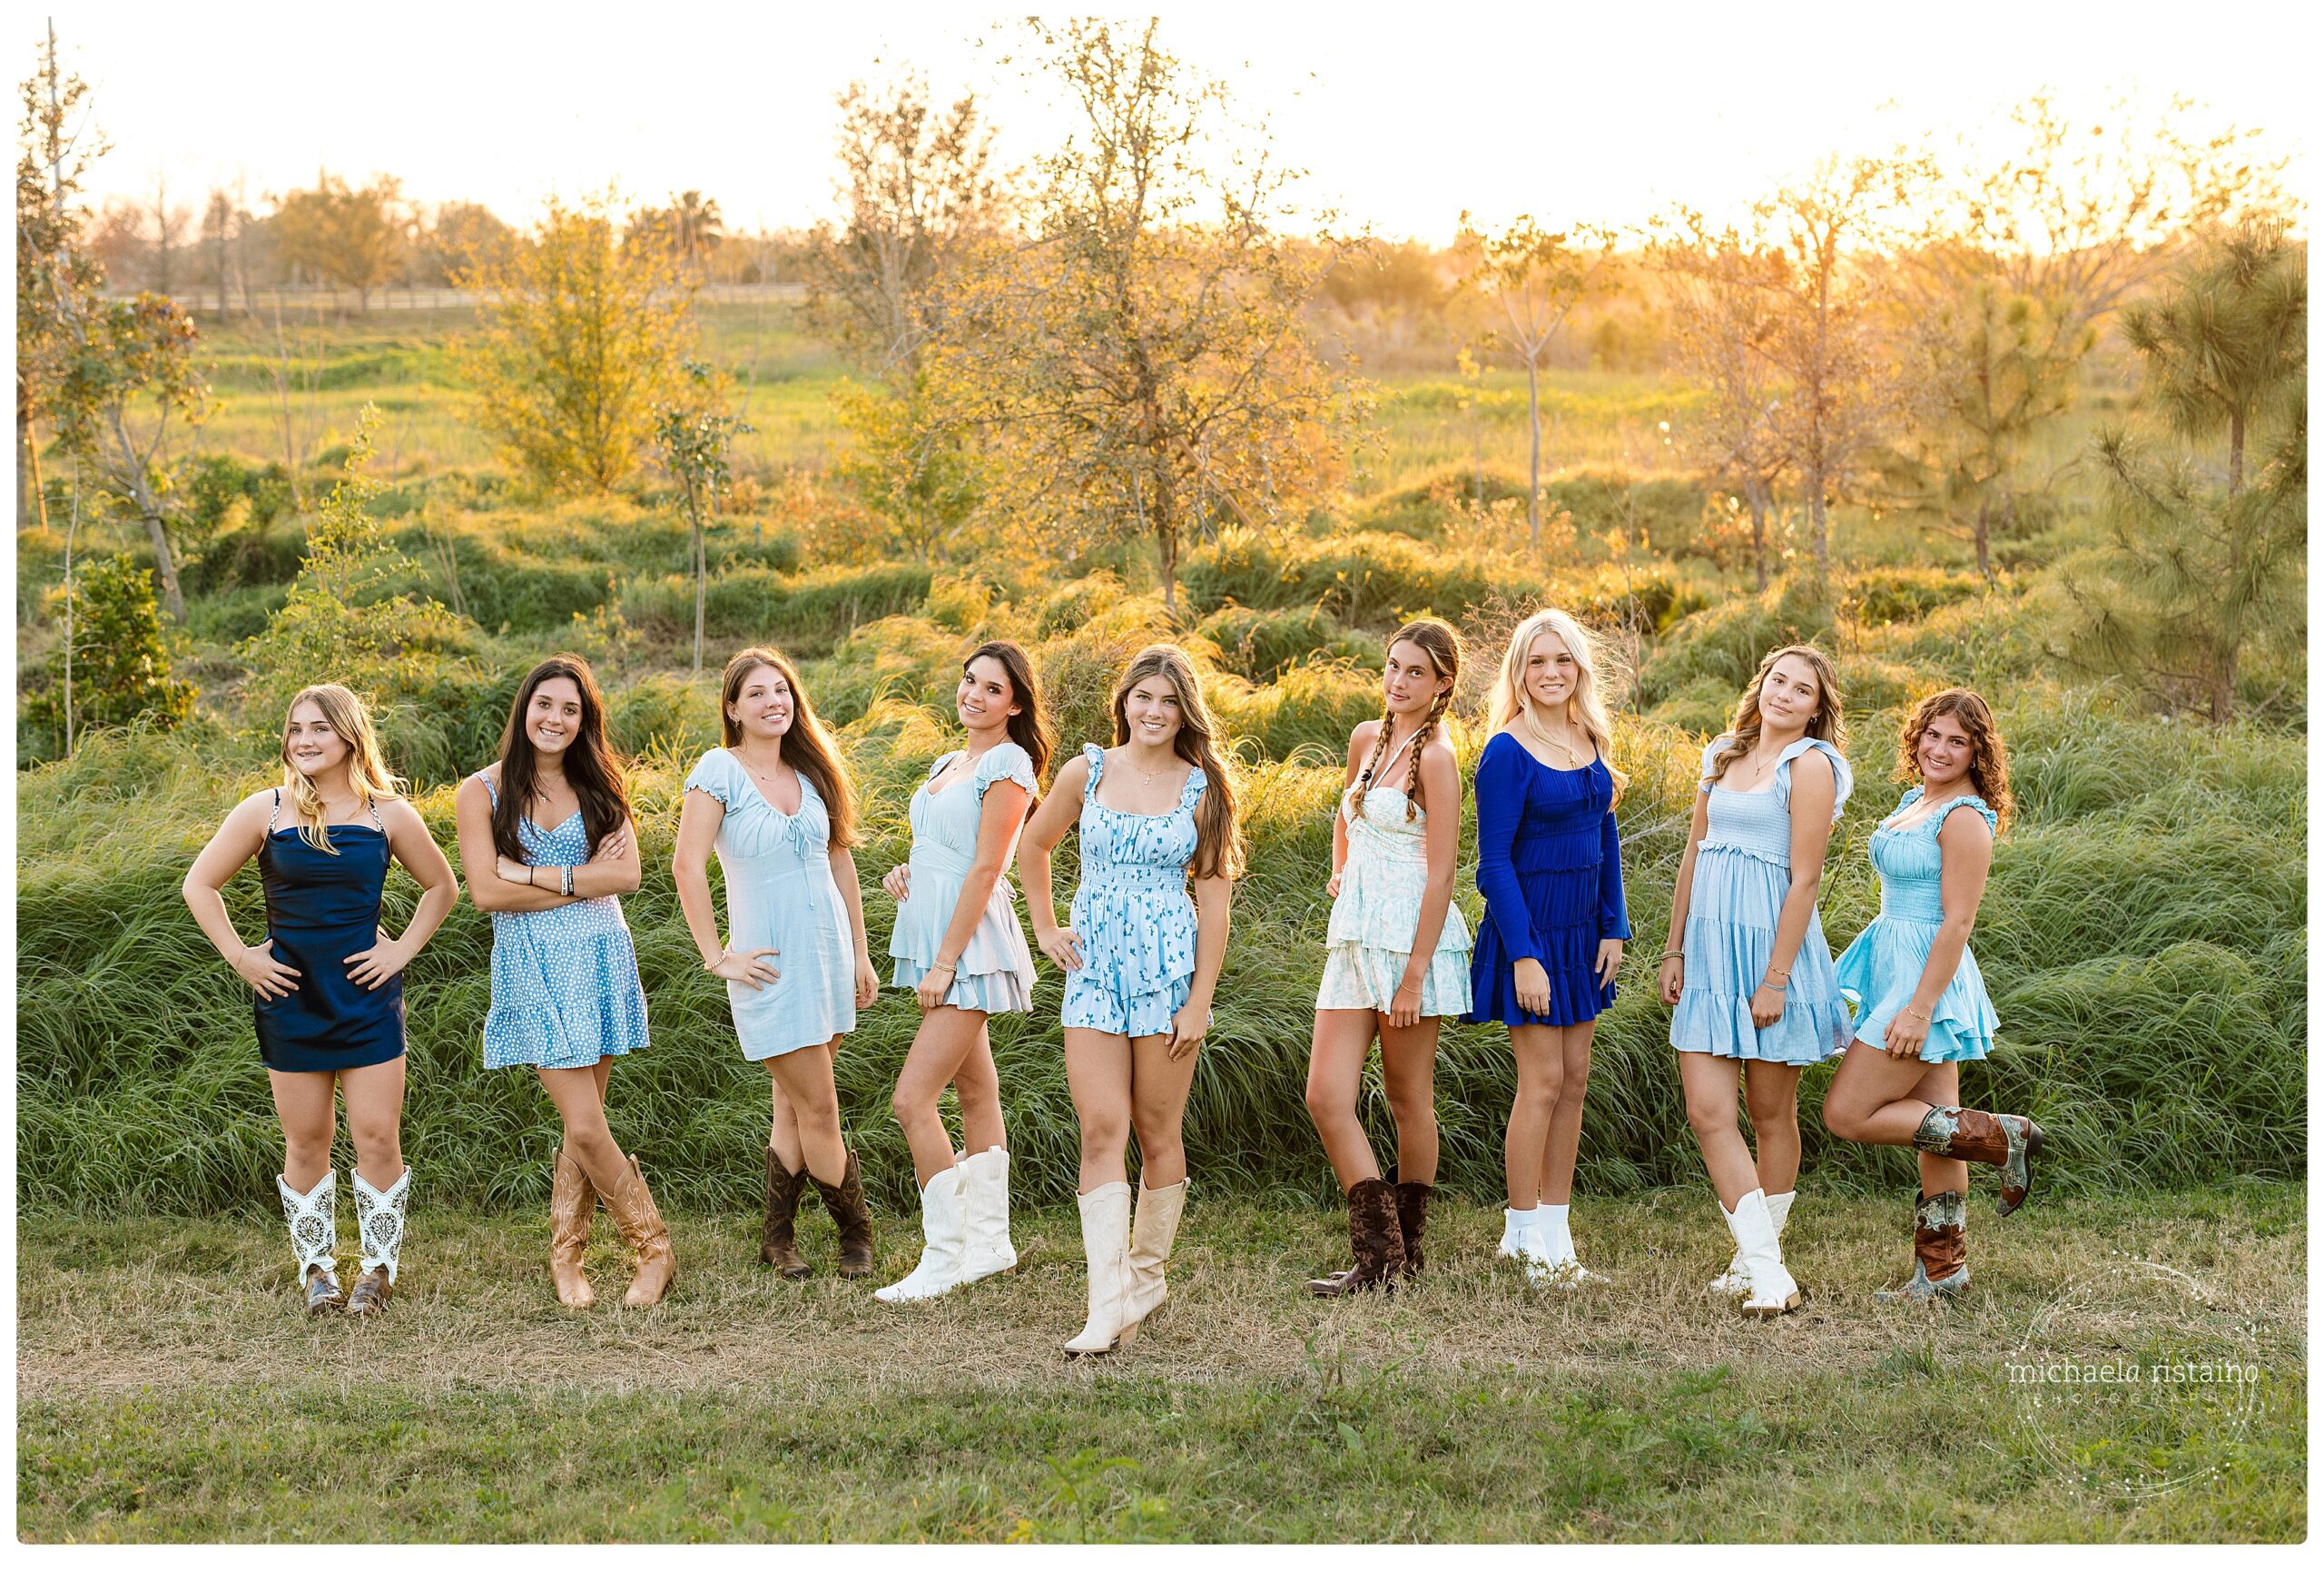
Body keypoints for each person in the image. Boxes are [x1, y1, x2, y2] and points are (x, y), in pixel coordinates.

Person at [183, 684, 458, 1315]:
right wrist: (242, 956)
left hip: (366, 998)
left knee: (376, 1137)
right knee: (306, 1140)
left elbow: (442, 887)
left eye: (319, 729)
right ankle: (317, 1272)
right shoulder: (267, 810)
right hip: (291, 998)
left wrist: (400, 951)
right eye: (295, 728)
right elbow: (199, 885)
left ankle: (378, 1271)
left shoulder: (387, 813)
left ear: (349, 738)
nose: (304, 740)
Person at [1019, 645, 1241, 1356]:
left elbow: (1215, 904)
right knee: (1100, 1127)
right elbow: (1034, 845)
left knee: (1156, 1129)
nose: (1154, 712)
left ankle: (1146, 1278)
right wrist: (1047, 926)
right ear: (1125, 702)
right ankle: (1104, 1299)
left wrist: (1200, 1001)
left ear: (1186, 712)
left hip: (1168, 974)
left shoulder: (1202, 787)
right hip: (1095, 972)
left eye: (1169, 701)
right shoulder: (1089, 770)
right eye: (1143, 697)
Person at [455, 656, 669, 1309]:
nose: (555, 718)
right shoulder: (482, 792)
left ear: (584, 721)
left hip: (601, 956)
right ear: (524, 709)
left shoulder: (600, 783)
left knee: (586, 1124)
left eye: (571, 710)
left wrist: (532, 876)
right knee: (582, 1124)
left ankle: (567, 1259)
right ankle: (654, 1248)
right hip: (532, 966)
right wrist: (578, 881)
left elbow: (625, 879)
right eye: (545, 704)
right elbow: (487, 893)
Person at [1657, 645, 1855, 1318]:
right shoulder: (1722, 754)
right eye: (1779, 680)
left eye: (1803, 690)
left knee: (1771, 1115)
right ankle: (1768, 1268)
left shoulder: (1813, 766)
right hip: (1709, 953)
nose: (1785, 695)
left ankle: (1755, 1266)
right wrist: (1673, 948)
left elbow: (1804, 879)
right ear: (1761, 684)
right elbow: (1694, 852)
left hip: (1774, 957)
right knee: (1709, 1113)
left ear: (1817, 709)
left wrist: (1775, 980)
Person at [1826, 688, 2042, 1301]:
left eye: (1957, 741)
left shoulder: (1965, 816)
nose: (1940, 749)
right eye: (1933, 735)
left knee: (1847, 1113)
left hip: (1927, 980)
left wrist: (1919, 1008)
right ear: (1916, 737)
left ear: (1978, 754)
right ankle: (1945, 1272)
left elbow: (1958, 922)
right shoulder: (1916, 801)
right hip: (1895, 965)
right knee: (1933, 1127)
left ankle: (2005, 1136)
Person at [674, 647, 881, 1280]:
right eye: (757, 693)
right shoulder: (720, 770)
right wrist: (718, 958)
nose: (774, 702)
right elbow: (687, 866)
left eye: (782, 690)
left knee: (792, 1108)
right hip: (770, 968)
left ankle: (777, 1238)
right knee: (820, 1109)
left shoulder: (811, 772)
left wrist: (861, 953)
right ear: (733, 709)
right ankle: (856, 1236)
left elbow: (839, 861)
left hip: (827, 958)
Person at [876, 641, 1054, 1303]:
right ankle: (990, 1245)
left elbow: (987, 867)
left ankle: (943, 1255)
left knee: (911, 1100)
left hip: (969, 944)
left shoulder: (1010, 763)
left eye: (992, 688)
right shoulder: (951, 761)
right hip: (933, 928)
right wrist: (907, 872)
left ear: (1015, 703)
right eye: (969, 681)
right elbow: (941, 851)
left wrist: (946, 963)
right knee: (977, 1094)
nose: (974, 695)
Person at [1302, 618, 1470, 1296]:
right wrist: (1342, 870)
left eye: (1415, 673)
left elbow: (1443, 871)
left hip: (1409, 940)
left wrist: (1415, 976)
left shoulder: (1438, 759)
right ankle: (1380, 1254)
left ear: (1442, 685)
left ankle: (1401, 1258)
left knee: (1407, 1098)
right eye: (1393, 667)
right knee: (1326, 1095)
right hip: (1355, 934)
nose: (1398, 682)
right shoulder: (1366, 740)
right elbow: (1348, 816)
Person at [1466, 608, 1630, 1286]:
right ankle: (1526, 1233)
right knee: (1541, 1085)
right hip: (1530, 934)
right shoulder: (1506, 750)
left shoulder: (1589, 736)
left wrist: (1614, 925)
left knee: (1575, 1082)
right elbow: (1492, 864)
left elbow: (1605, 839)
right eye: (1537, 662)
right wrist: (1524, 954)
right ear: (1519, 673)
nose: (1551, 673)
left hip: (1582, 935)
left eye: (1562, 660)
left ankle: (1554, 1235)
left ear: (1579, 669)